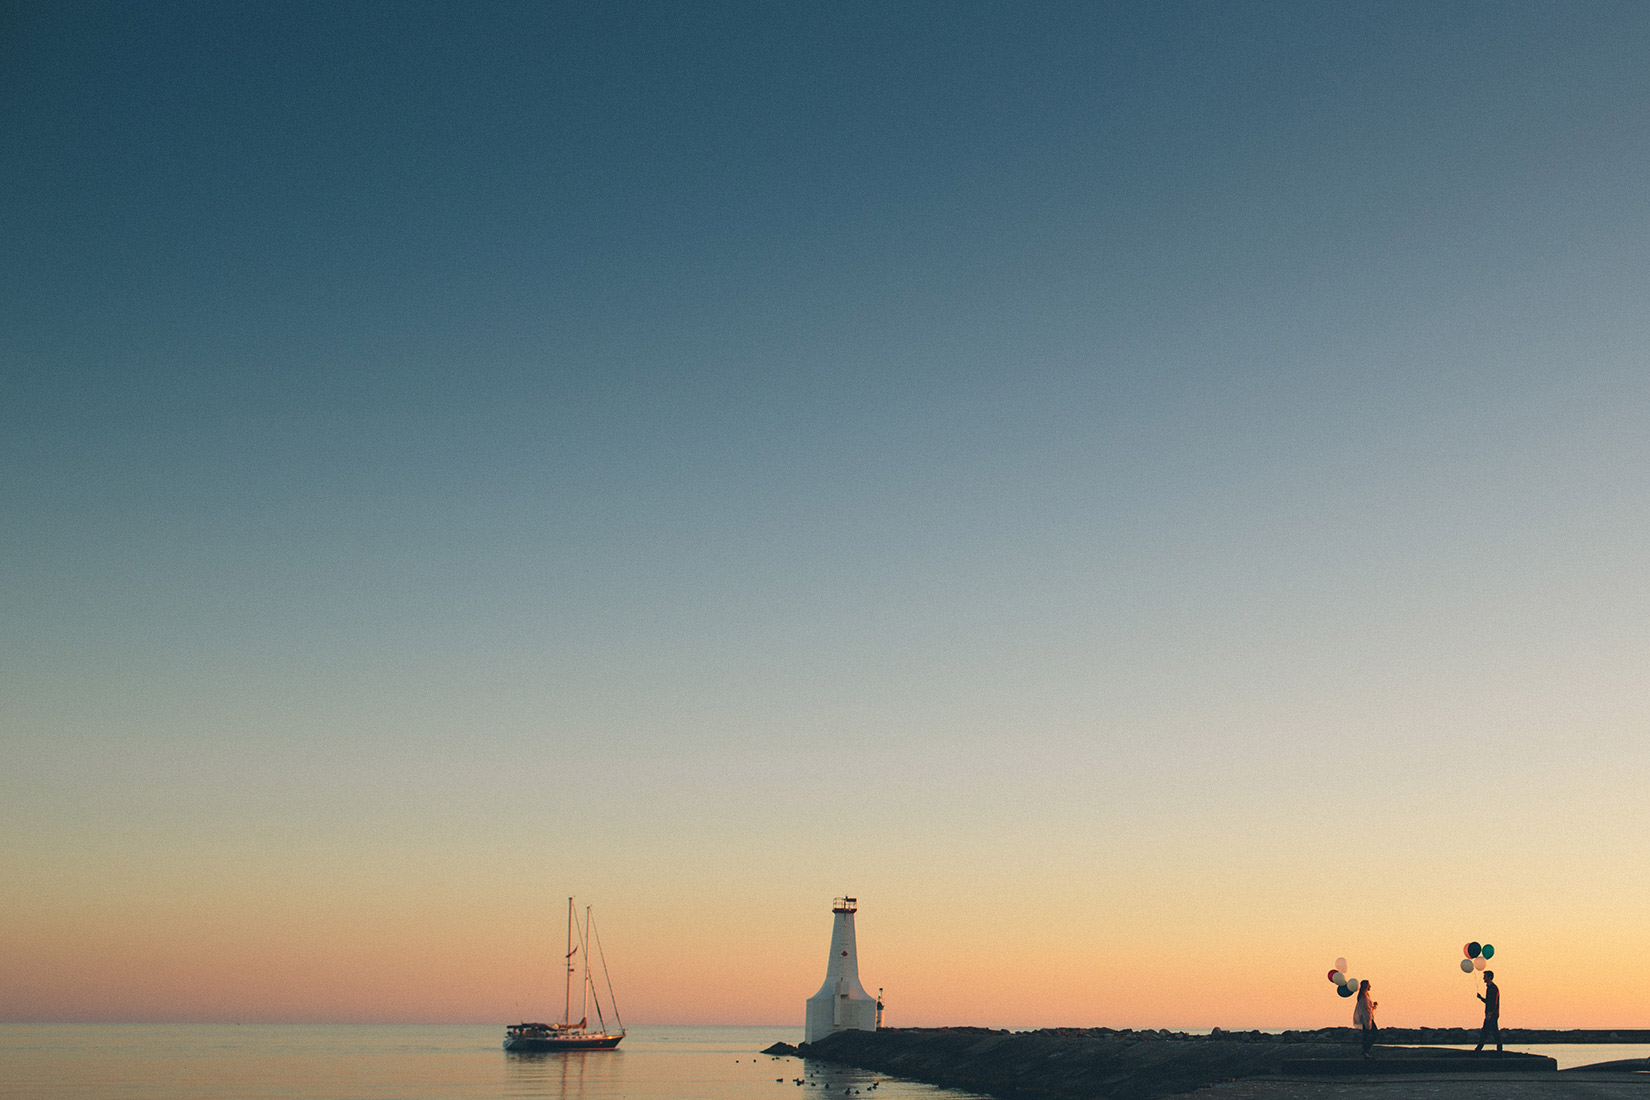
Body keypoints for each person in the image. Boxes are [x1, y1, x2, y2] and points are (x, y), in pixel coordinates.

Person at [1475, 971, 1501, 1053]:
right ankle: (1478, 1050)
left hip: (1492, 1014)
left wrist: (1490, 1013)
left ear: (1489, 977)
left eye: (1485, 976)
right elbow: (1489, 1001)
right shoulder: (1490, 988)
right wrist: (1481, 998)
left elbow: (1494, 1002)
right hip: (1491, 1014)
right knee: (1490, 1032)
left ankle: (1478, 1050)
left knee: (1488, 1032)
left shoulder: (1493, 988)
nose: (1483, 978)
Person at [1353, 979, 1378, 1057]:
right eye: (1369, 985)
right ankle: (1365, 1051)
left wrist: (1373, 1006)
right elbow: (1366, 1009)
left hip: (1369, 1018)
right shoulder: (1363, 996)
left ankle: (1365, 1051)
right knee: (1372, 1034)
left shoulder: (1366, 995)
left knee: (1368, 1035)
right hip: (1366, 1019)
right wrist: (1368, 1022)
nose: (1370, 986)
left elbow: (1368, 1008)